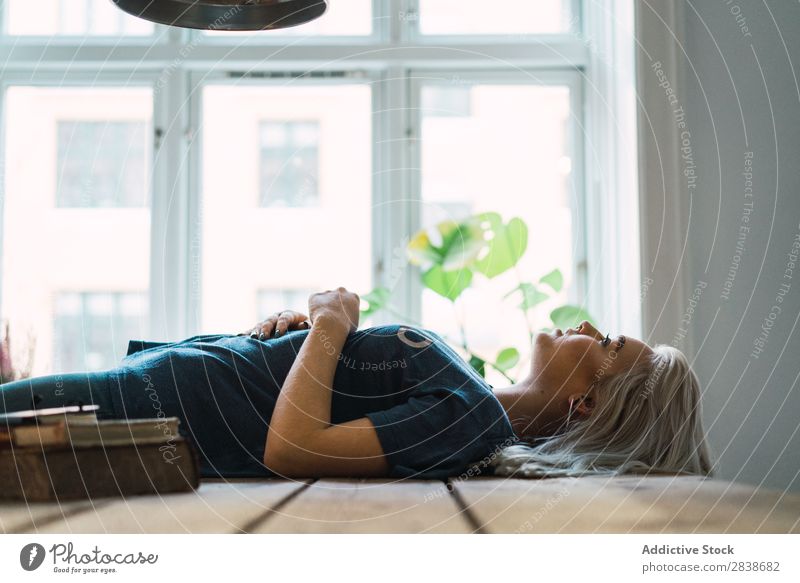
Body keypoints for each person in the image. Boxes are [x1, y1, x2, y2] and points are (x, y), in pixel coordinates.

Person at [0, 286, 713, 480]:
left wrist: (332, 323)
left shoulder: (469, 422)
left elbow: (293, 446)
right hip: (158, 382)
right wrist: (304, 339)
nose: (588, 326)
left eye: (608, 343)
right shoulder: (471, 401)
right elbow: (311, 402)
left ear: (586, 402)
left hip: (145, 411)